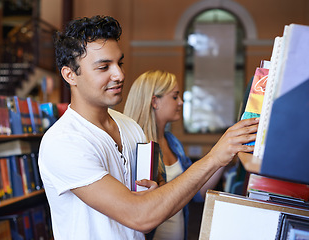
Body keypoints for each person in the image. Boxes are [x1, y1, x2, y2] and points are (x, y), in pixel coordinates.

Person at [38, 15, 259, 240]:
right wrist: (214, 157)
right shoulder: (63, 142)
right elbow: (141, 216)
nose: (120, 75)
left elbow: (154, 197)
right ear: (70, 75)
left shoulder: (131, 127)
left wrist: (157, 191)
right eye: (104, 67)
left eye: (119, 63)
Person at [124, 70, 227, 240]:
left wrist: (222, 159)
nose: (181, 102)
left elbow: (196, 192)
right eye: (175, 96)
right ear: (155, 101)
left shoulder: (172, 142)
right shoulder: (135, 147)